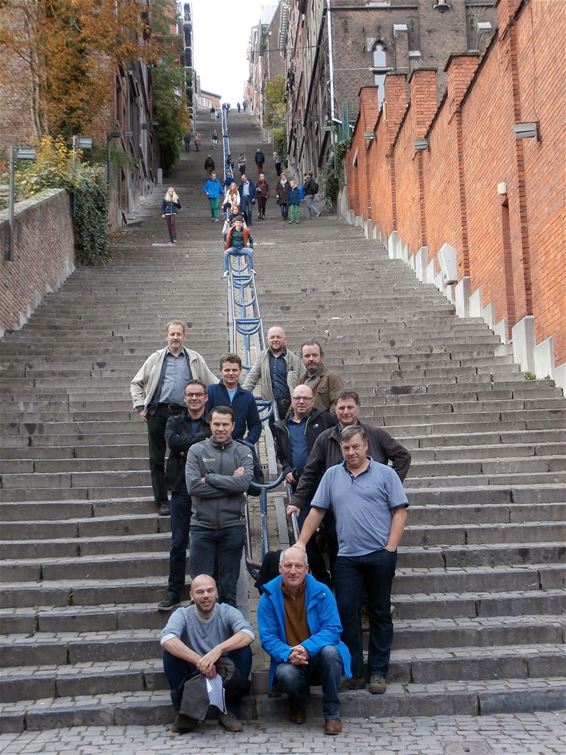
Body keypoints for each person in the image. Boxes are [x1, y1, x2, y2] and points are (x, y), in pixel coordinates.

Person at [295, 425, 409, 694]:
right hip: (346, 557)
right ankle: (355, 670)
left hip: (379, 554)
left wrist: (390, 548)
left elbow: (400, 511)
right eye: (346, 448)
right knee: (346, 612)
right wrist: (300, 543)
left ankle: (378, 671)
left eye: (356, 446)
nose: (351, 452)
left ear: (366, 445)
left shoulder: (386, 474)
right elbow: (317, 511)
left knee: (380, 611)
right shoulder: (332, 475)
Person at [288, 389, 411, 582]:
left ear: (358, 409)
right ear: (335, 410)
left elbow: (403, 456)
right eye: (341, 408)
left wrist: (390, 486)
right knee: (339, 561)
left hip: (374, 514)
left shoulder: (375, 434)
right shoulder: (325, 438)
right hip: (338, 513)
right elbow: (310, 472)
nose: (346, 412)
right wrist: (296, 500)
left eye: (350, 407)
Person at [257, 546, 351, 735]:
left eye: (298, 566)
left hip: (318, 656)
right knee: (286, 675)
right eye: (288, 565)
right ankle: (297, 703)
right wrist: (289, 653)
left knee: (331, 652)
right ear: (280, 568)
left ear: (307, 569)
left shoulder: (322, 592)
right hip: (289, 658)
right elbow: (268, 638)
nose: (293, 571)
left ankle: (332, 713)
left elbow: (333, 629)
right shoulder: (267, 597)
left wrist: (307, 648)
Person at [130, 320, 217, 517]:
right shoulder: (156, 358)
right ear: (166, 336)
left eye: (179, 334)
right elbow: (136, 383)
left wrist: (227, 395)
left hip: (184, 414)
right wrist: (140, 406)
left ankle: (187, 494)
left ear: (184, 336)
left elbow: (211, 382)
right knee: (156, 458)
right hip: (158, 412)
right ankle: (162, 500)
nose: (175, 338)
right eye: (172, 334)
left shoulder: (194, 358)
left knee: (186, 455)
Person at [161, 574, 254, 734]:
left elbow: (248, 633)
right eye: (200, 592)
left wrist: (218, 650)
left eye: (210, 591)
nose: (206, 595)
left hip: (223, 670)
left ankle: (229, 710)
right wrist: (200, 661)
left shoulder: (227, 611)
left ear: (217, 593)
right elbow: (167, 638)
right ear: (191, 595)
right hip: (193, 670)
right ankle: (185, 714)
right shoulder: (182, 614)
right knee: (170, 654)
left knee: (244, 650)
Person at [186, 407, 254, 606]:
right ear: (210, 424)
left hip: (232, 526)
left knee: (228, 590)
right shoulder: (196, 450)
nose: (221, 428)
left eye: (225, 424)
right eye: (216, 424)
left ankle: (229, 627)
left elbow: (244, 484)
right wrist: (231, 484)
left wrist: (209, 478)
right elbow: (193, 487)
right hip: (202, 527)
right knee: (202, 590)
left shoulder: (243, 451)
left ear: (233, 426)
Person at [272, 385, 336, 583]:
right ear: (292, 400)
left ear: (313, 400)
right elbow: (282, 455)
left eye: (305, 398)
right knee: (303, 536)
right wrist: (286, 470)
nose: (301, 401)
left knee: (334, 533)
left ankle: (340, 579)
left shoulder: (326, 420)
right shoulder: (281, 426)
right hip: (300, 488)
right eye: (297, 398)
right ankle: (321, 578)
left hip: (326, 484)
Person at [159, 380, 211, 612]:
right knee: (178, 542)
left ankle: (204, 590)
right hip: (181, 487)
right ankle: (174, 591)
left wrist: (185, 449)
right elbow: (173, 442)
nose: (194, 398)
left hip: (206, 487)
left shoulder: (211, 422)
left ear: (206, 397)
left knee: (203, 541)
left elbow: (209, 441)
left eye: (198, 394)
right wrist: (197, 445)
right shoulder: (175, 421)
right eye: (190, 395)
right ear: (184, 398)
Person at [243, 325, 301, 420]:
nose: (275, 339)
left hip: (291, 405)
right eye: (272, 337)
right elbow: (252, 376)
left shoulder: (295, 358)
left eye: (278, 337)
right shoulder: (262, 357)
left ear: (285, 339)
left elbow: (304, 378)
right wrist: (242, 395)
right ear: (267, 340)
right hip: (271, 405)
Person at [206, 354, 262, 447]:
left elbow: (255, 424)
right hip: (212, 446)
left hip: (238, 447)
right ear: (220, 370)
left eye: (235, 370)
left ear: (240, 370)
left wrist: (247, 443)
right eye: (227, 370)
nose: (231, 373)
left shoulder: (247, 396)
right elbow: (204, 419)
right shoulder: (210, 391)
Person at [298, 340, 344, 412]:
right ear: (302, 358)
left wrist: (325, 417)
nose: (311, 359)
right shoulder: (301, 378)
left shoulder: (331, 377)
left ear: (321, 357)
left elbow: (338, 403)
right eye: (307, 356)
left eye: (315, 355)